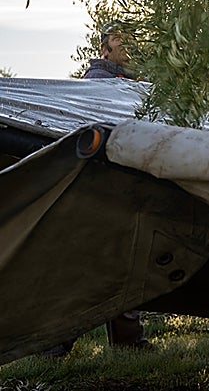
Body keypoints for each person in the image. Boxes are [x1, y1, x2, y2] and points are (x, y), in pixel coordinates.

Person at [46, 24, 152, 354]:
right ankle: (56, 344)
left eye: (131, 37)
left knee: (124, 265)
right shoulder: (98, 83)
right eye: (119, 38)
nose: (128, 43)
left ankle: (127, 342)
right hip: (99, 188)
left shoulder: (131, 84)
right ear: (105, 49)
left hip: (124, 186)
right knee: (89, 268)